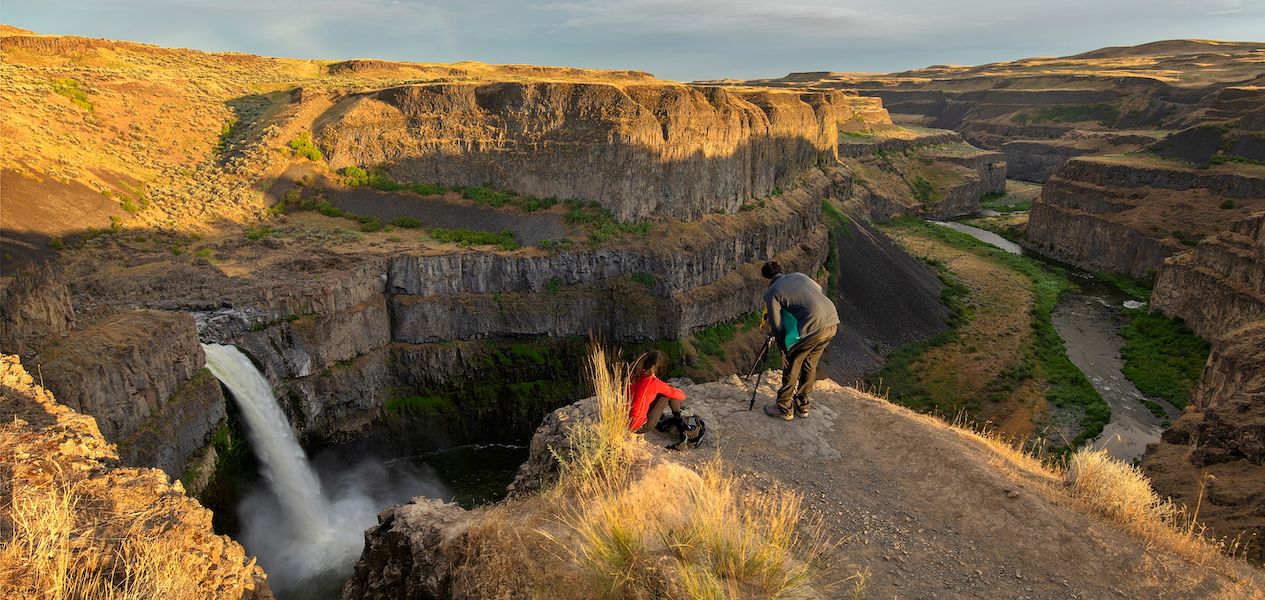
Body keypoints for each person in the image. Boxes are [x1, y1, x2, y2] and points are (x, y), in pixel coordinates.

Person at [761, 260, 839, 420]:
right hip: (831, 320)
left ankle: (784, 407)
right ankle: (802, 406)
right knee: (810, 364)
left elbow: (776, 325)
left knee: (793, 362)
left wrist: (784, 349)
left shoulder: (772, 291)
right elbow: (818, 289)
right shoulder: (799, 276)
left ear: (766, 279)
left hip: (812, 327)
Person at [627, 350, 686, 434]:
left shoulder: (634, 375)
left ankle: (678, 417)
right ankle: (679, 419)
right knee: (667, 394)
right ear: (657, 366)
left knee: (665, 390)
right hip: (640, 426)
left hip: (625, 421)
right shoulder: (654, 383)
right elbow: (682, 396)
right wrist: (675, 390)